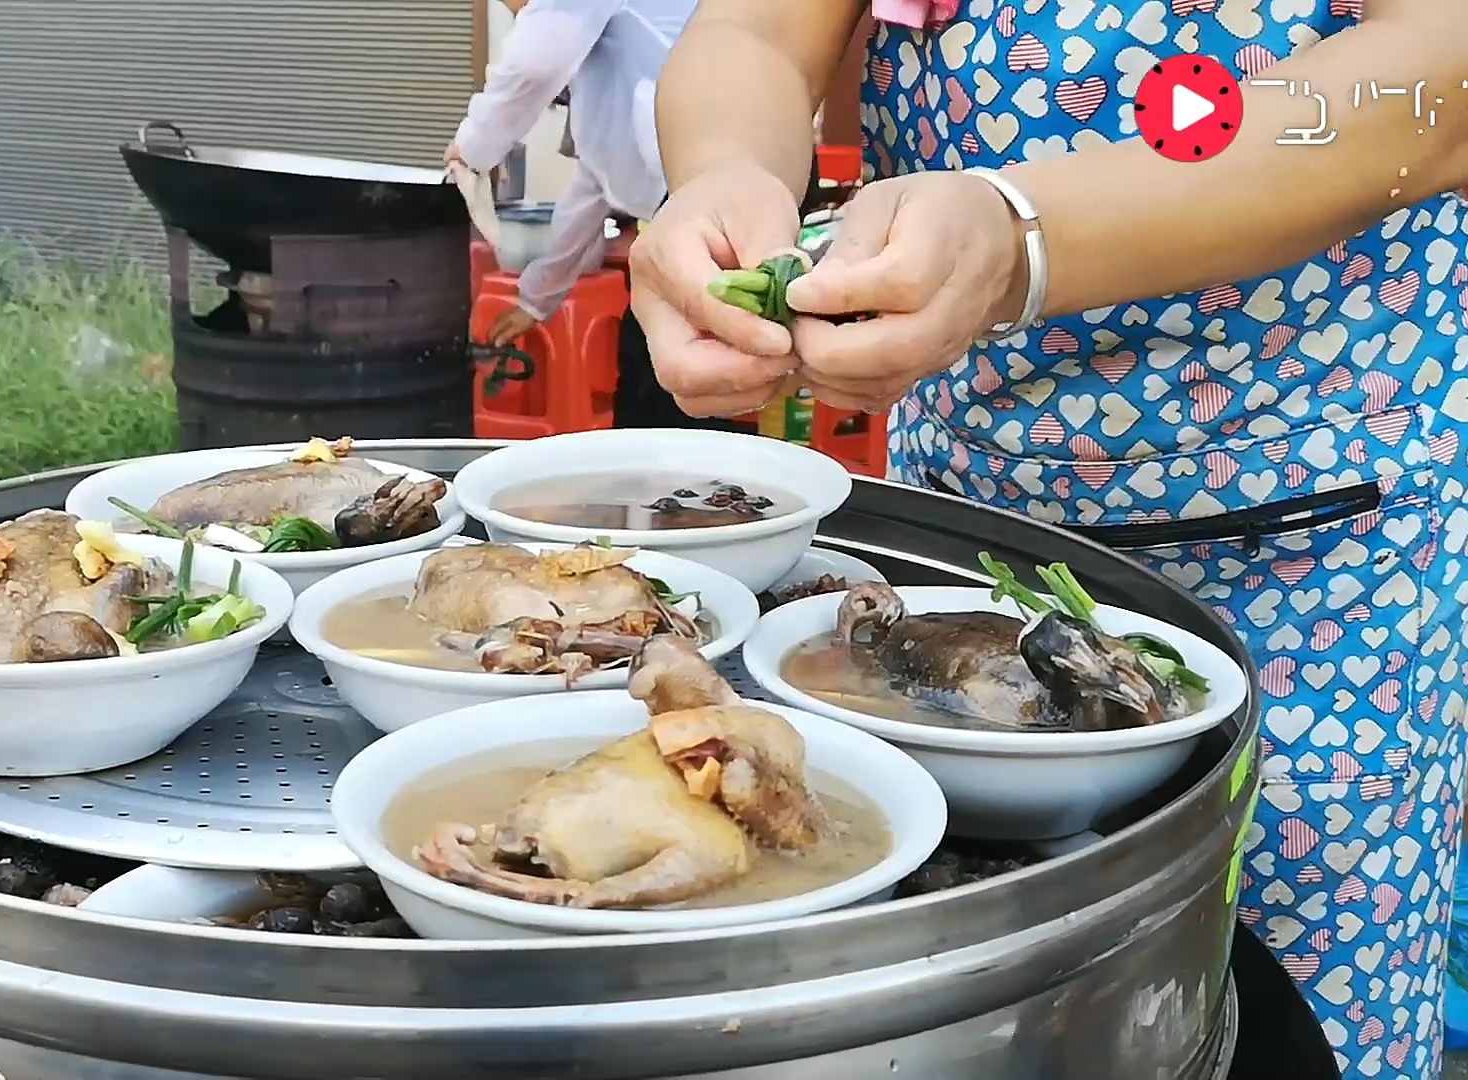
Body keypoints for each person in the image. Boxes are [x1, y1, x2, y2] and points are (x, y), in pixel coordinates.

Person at [631, 1, 1467, 1076]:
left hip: (1310, 553)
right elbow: (754, 35)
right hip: (964, 527)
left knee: (1276, 999)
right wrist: (723, 175)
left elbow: (1436, 82)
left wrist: (1029, 234)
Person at [444, 0, 745, 427]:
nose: (517, 12)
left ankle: (687, 486)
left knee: (680, 382)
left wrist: (472, 147)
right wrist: (537, 299)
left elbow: (532, 67)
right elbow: (595, 177)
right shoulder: (618, 56)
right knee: (663, 375)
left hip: (727, 190)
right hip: (706, 196)